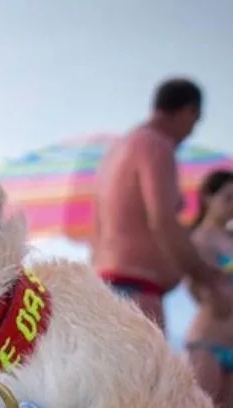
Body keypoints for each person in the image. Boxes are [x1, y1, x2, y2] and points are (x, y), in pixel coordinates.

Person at [91, 77, 232, 329]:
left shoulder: (120, 149)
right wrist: (204, 277)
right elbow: (163, 220)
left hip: (107, 286)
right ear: (189, 110)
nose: (191, 132)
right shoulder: (156, 145)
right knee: (143, 369)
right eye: (195, 121)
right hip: (136, 292)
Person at [185, 170, 233, 408]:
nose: (231, 207)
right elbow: (196, 287)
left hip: (230, 342)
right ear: (207, 198)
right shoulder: (198, 239)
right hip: (209, 340)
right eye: (227, 198)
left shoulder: (229, 237)